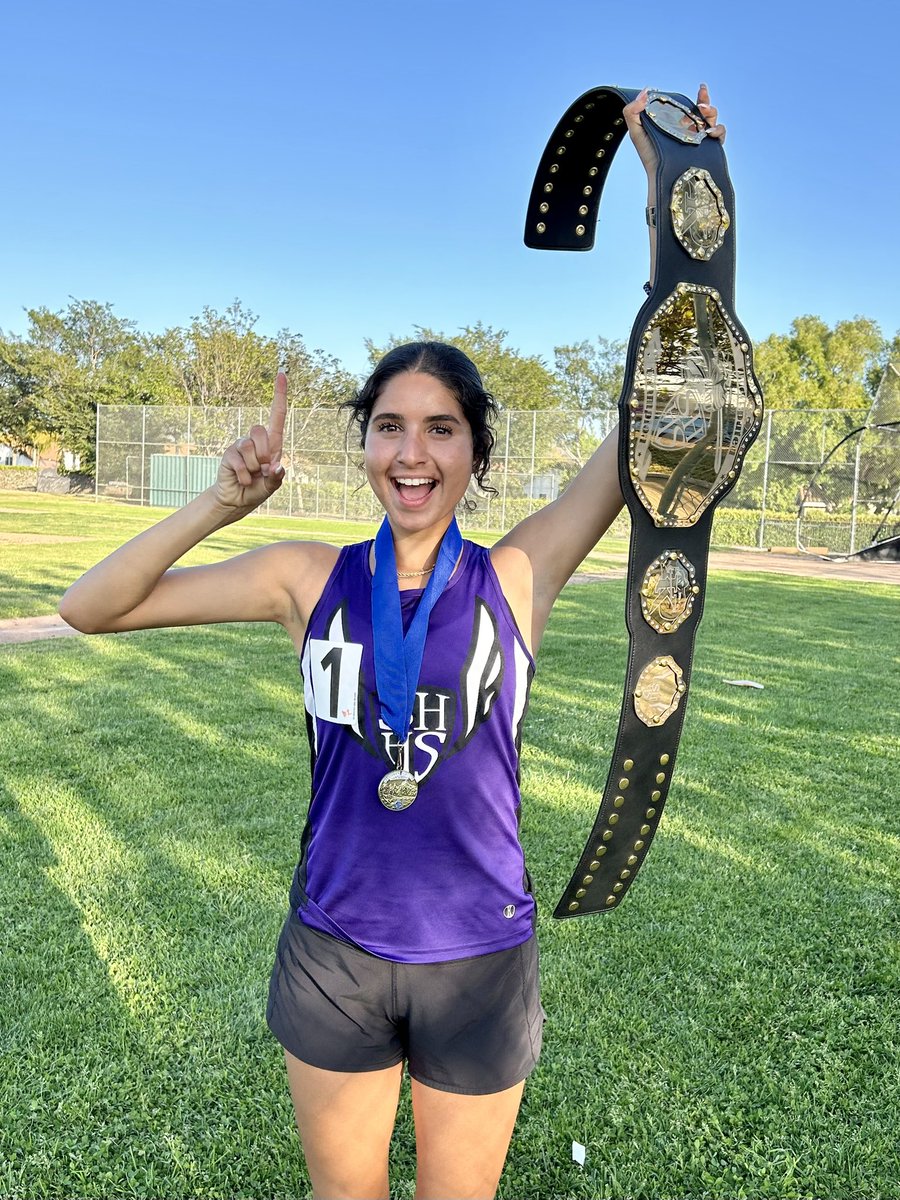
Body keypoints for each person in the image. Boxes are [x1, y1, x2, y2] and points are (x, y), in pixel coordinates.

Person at [59, 87, 724, 1200]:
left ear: (475, 455)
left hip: (480, 956)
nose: (413, 454)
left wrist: (687, 209)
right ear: (365, 446)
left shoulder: (517, 573)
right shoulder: (304, 579)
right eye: (390, 428)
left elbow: (657, 406)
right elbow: (93, 607)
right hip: (336, 951)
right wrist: (218, 505)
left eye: (441, 429)